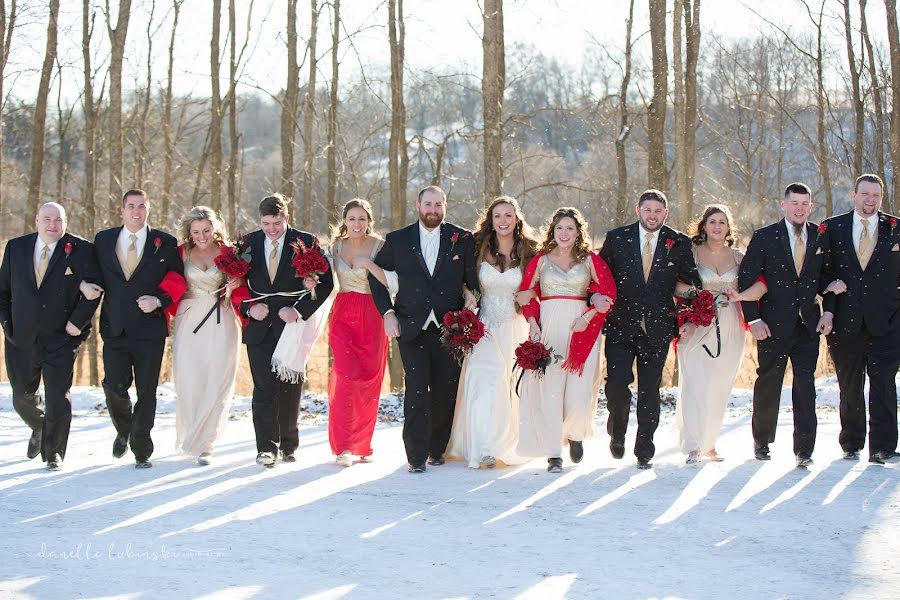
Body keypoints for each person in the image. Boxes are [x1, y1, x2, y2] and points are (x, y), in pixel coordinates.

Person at [369, 185, 479, 473]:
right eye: (428, 204)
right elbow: (376, 279)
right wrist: (387, 313)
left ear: (445, 206)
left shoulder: (462, 239)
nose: (433, 210)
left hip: (450, 328)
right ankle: (416, 455)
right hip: (410, 325)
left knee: (445, 389)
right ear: (417, 206)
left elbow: (473, 280)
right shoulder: (397, 240)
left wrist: (472, 297)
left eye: (438, 205)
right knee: (417, 389)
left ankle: (436, 448)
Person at [600, 189, 702, 469]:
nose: (652, 215)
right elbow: (600, 278)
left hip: (657, 328)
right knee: (617, 386)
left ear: (665, 213)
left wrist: (690, 310)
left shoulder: (678, 242)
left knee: (650, 390)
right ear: (638, 210)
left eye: (658, 211)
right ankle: (616, 431)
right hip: (621, 325)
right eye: (648, 210)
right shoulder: (616, 238)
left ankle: (644, 446)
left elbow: (692, 284)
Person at [737, 182, 834, 468]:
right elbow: (747, 282)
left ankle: (804, 449)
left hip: (808, 326)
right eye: (795, 203)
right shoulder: (765, 237)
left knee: (806, 386)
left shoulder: (820, 236)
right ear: (784, 204)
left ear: (811, 207)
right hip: (772, 324)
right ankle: (762, 440)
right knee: (769, 382)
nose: (800, 209)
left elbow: (824, 277)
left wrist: (829, 305)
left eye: (805, 204)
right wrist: (753, 319)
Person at [0, 202, 101, 470]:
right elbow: (4, 292)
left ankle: (53, 452)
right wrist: (7, 325)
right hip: (20, 337)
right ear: (36, 220)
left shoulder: (81, 250)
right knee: (21, 396)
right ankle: (39, 426)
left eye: (58, 219)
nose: (53, 224)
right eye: (47, 219)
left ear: (66, 221)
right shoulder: (16, 248)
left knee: (58, 396)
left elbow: (94, 291)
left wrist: (76, 325)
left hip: (61, 337)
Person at [515, 207, 616, 473]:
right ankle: (553, 453)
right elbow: (526, 294)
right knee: (550, 390)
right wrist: (534, 324)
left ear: (578, 232)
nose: (564, 233)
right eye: (560, 227)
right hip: (549, 328)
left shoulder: (591, 260)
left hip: (581, 328)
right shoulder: (541, 261)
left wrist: (589, 314)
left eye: (570, 228)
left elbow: (608, 294)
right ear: (553, 230)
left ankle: (574, 433)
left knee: (579, 392)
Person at [92, 190, 184, 469]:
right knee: (113, 387)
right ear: (122, 210)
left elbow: (177, 280)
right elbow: (93, 273)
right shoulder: (104, 239)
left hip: (150, 330)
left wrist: (158, 300)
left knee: (147, 391)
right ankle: (125, 429)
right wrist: (86, 285)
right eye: (131, 206)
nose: (136, 211)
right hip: (115, 328)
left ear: (148, 209)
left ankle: (141, 448)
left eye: (141, 206)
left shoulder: (165, 243)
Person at [241, 193, 333, 468]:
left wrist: (299, 311)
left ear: (286, 218)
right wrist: (248, 308)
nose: (271, 229)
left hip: (292, 325)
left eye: (277, 223)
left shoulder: (307, 242)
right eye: (266, 223)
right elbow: (236, 285)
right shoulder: (248, 243)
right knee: (263, 387)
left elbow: (326, 284)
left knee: (289, 386)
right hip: (259, 325)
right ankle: (266, 448)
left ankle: (289, 444)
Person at [446, 196, 538, 469]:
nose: (503, 221)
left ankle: (504, 444)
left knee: (509, 384)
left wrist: (529, 293)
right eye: (498, 216)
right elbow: (463, 279)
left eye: (508, 215)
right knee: (484, 379)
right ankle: (483, 447)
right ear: (490, 219)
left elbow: (541, 283)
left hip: (514, 324)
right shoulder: (476, 247)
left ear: (517, 219)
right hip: (483, 326)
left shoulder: (529, 251)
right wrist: (467, 295)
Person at [819, 174, 900, 464]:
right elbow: (820, 270)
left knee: (884, 383)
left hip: (888, 322)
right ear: (854, 195)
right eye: (865, 193)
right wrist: (827, 289)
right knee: (849, 384)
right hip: (844, 320)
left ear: (881, 197)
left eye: (876, 195)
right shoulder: (832, 228)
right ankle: (851, 443)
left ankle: (883, 447)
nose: (870, 200)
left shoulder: (896, 229)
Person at [170, 206, 248, 465]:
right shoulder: (180, 254)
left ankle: (208, 443)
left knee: (218, 377)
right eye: (196, 231)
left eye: (206, 230)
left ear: (214, 229)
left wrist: (236, 284)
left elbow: (243, 285)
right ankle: (192, 434)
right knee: (190, 377)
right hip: (189, 318)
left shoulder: (228, 252)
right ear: (189, 232)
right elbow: (169, 283)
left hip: (221, 317)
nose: (202, 236)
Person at [675, 205, 749, 465]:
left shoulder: (740, 257)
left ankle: (709, 443)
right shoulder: (691, 254)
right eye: (712, 222)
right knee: (695, 383)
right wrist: (698, 296)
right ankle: (693, 445)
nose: (717, 226)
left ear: (729, 227)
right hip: (698, 321)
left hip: (731, 322)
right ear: (703, 226)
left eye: (722, 222)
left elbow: (757, 285)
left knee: (719, 384)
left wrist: (741, 296)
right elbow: (676, 284)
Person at [326, 199, 390, 467]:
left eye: (362, 218)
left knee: (368, 378)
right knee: (345, 375)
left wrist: (370, 264)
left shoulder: (381, 246)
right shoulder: (334, 248)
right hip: (343, 314)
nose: (357, 223)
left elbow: (391, 280)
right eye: (352, 218)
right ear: (344, 220)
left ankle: (362, 443)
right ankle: (343, 446)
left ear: (369, 220)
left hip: (372, 314)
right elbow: (323, 282)